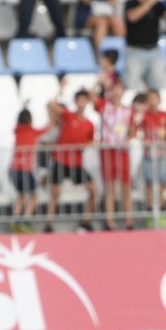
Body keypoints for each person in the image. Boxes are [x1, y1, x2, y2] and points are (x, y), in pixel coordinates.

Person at [48, 90, 98, 233]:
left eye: (84, 100)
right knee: (55, 192)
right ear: (75, 102)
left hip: (76, 163)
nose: (82, 103)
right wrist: (61, 88)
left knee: (93, 189)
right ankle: (48, 223)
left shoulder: (90, 124)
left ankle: (86, 222)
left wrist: (90, 144)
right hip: (60, 160)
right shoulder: (68, 116)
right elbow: (51, 105)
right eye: (79, 100)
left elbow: (91, 141)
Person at [96, 78, 135, 230]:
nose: (116, 92)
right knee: (110, 186)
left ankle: (129, 220)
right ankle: (109, 220)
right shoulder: (103, 107)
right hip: (107, 151)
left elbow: (132, 129)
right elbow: (93, 98)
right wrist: (100, 83)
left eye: (119, 89)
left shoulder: (128, 110)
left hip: (122, 151)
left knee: (125, 186)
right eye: (113, 89)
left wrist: (128, 139)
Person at [124, 0, 166, 91]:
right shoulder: (131, 3)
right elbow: (132, 17)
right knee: (131, 87)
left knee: (157, 87)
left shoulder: (158, 5)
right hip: (135, 52)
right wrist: (150, 1)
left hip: (154, 51)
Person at [135, 89, 166, 225]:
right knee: (149, 183)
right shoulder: (144, 115)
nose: (152, 101)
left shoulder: (164, 115)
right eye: (150, 98)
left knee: (162, 182)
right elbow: (135, 128)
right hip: (148, 155)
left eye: (154, 98)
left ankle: (162, 212)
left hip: (161, 154)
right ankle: (150, 212)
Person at [10, 108, 44, 222]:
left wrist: (24, 106)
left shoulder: (17, 130)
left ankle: (15, 219)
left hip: (14, 169)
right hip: (24, 169)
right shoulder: (32, 131)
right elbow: (47, 128)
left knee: (21, 196)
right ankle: (25, 220)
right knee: (34, 197)